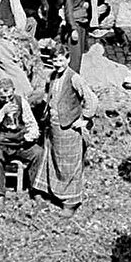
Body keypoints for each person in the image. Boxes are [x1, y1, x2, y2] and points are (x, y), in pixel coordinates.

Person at [32, 43, 98, 216]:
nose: (58, 64)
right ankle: (51, 192)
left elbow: (91, 99)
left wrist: (84, 119)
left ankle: (70, 202)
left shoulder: (74, 78)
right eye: (55, 60)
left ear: (68, 59)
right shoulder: (52, 76)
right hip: (54, 127)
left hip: (69, 129)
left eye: (61, 60)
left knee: (69, 165)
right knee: (53, 160)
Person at [0, 77, 42, 202]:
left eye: (9, 97)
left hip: (18, 140)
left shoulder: (21, 101)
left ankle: (36, 190)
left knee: (38, 153)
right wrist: (2, 113)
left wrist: (29, 137)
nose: (7, 100)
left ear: (14, 91)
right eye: (3, 98)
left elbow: (32, 125)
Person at [63, 0, 90, 72]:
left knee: (80, 55)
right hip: (75, 25)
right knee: (75, 58)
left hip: (82, 24)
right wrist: (73, 28)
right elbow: (68, 11)